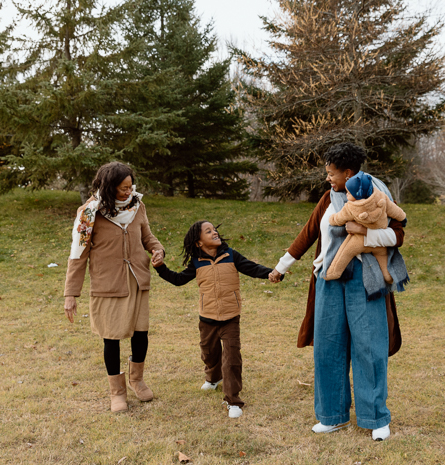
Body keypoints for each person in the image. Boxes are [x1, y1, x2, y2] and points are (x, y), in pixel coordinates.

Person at [269, 143, 407, 441]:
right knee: (327, 347)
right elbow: (308, 234)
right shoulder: (328, 198)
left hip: (366, 278)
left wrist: (365, 234)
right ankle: (332, 415)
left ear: (348, 172)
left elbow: (398, 234)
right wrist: (282, 266)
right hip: (328, 278)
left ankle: (375, 418)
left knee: (369, 347)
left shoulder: (378, 193)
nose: (327, 178)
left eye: (332, 173)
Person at [151, 221, 280, 419]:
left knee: (231, 358)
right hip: (207, 317)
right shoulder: (196, 262)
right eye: (208, 231)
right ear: (198, 242)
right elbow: (178, 280)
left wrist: (271, 272)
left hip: (230, 316)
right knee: (209, 352)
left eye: (215, 229)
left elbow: (252, 268)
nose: (215, 232)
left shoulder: (231, 256)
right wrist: (160, 267)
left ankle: (232, 400)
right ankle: (213, 379)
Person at [64, 162, 165, 412]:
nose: (128, 192)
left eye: (130, 187)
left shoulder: (137, 207)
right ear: (108, 186)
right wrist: (70, 294)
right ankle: (117, 392)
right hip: (107, 284)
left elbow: (147, 236)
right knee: (111, 338)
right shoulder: (89, 213)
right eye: (123, 188)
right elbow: (78, 254)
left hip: (137, 280)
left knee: (141, 333)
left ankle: (137, 381)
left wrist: (157, 249)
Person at [324, 171, 407, 282]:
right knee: (382, 257)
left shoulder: (351, 207)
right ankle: (388, 276)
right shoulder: (381, 197)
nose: (346, 195)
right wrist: (403, 218)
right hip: (379, 243)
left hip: (359, 241)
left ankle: (334, 272)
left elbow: (338, 218)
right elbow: (395, 211)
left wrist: (331, 218)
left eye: (348, 193)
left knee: (345, 252)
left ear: (357, 194)